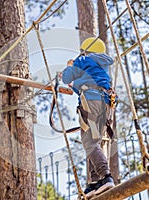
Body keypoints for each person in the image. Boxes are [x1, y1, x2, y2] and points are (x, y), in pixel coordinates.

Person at [61, 37, 116, 198]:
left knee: (89, 141)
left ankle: (105, 176)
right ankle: (95, 182)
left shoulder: (84, 60)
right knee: (94, 140)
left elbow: (67, 77)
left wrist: (70, 66)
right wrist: (76, 84)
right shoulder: (102, 65)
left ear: (85, 51)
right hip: (105, 104)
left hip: (91, 101)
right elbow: (88, 82)